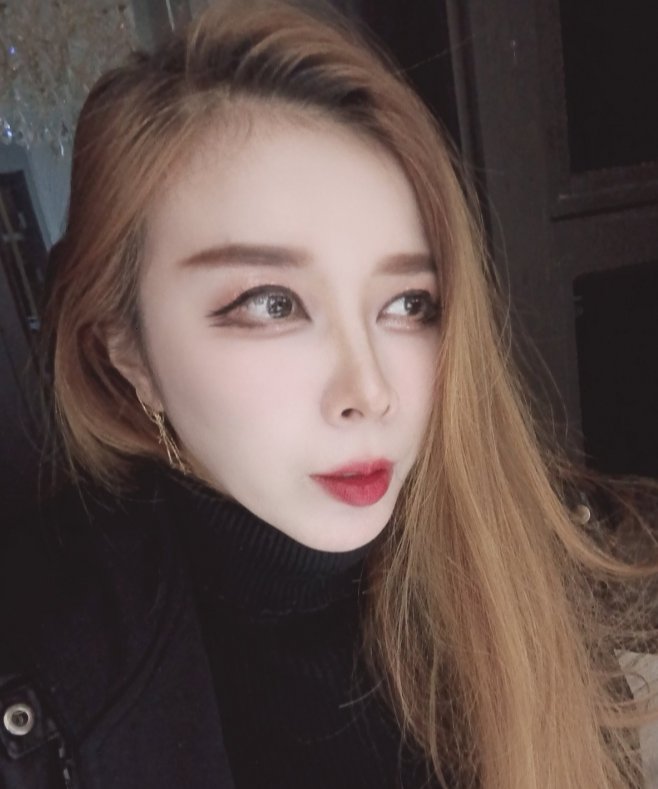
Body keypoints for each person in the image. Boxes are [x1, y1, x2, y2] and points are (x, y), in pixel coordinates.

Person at [1, 1, 657, 787]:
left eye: (409, 303)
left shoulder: (557, 559)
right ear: (129, 353)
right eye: (273, 303)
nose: (369, 392)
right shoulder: (44, 681)